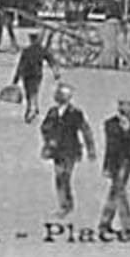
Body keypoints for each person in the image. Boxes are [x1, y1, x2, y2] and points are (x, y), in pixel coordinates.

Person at [40, 83, 96, 217]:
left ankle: (66, 205)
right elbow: (44, 128)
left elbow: (86, 130)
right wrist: (49, 140)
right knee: (59, 177)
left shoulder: (76, 113)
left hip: (71, 150)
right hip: (57, 151)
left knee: (64, 176)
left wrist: (91, 149)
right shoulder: (52, 112)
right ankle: (64, 203)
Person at [99, 99, 130, 234]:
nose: (128, 108)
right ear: (119, 107)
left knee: (115, 192)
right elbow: (112, 146)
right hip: (116, 162)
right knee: (120, 193)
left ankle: (105, 222)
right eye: (125, 105)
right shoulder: (111, 124)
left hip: (128, 162)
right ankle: (127, 225)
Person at [13, 31, 57, 123]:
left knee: (29, 92)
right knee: (34, 91)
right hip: (37, 74)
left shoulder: (27, 50)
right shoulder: (41, 50)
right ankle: (34, 108)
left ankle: (30, 110)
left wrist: (16, 78)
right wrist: (55, 72)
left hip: (27, 74)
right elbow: (51, 61)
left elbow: (21, 64)